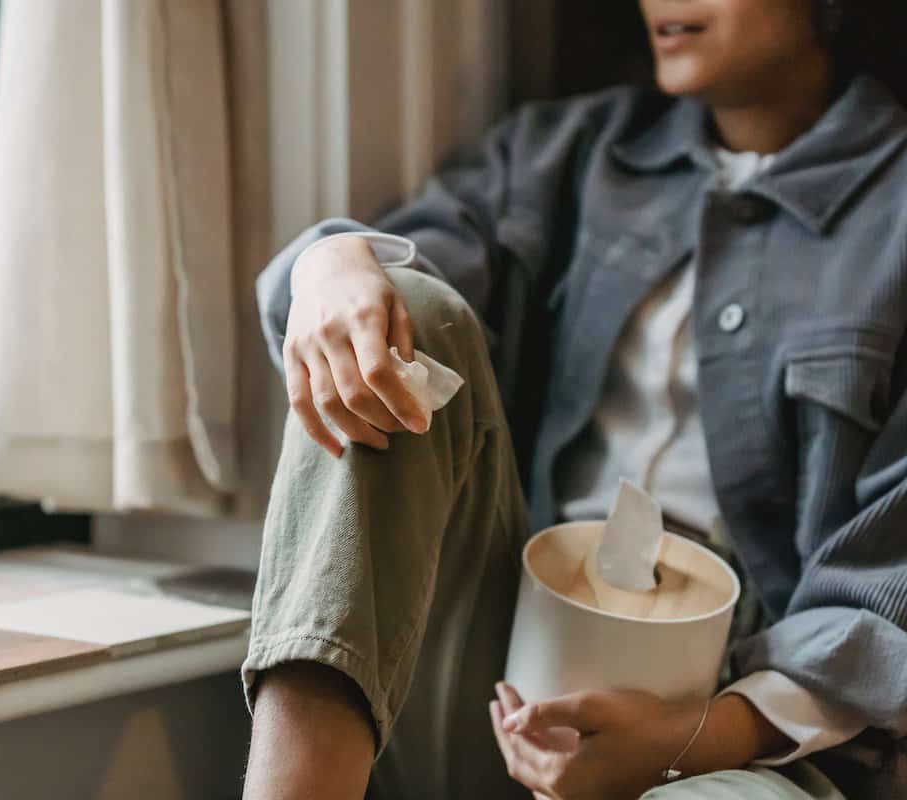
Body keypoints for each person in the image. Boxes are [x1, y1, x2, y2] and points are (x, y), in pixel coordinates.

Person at [241, 0, 907, 797]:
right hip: (500, 665)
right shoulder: (565, 151)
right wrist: (331, 264)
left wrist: (687, 741)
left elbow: (886, 592)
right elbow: (385, 291)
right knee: (400, 312)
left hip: (741, 727)